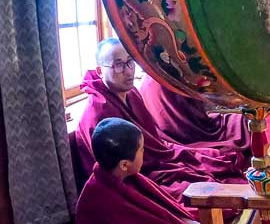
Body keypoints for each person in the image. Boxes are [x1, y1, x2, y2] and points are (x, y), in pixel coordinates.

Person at [75, 39, 247, 201]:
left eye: (130, 61)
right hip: (133, 176)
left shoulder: (132, 93)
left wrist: (169, 158)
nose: (128, 71)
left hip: (152, 159)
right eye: (118, 65)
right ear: (100, 71)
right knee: (192, 190)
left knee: (210, 162)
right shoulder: (98, 112)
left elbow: (154, 143)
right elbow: (114, 172)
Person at [74, 118, 206, 224]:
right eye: (142, 150)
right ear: (124, 164)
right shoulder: (98, 197)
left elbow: (155, 206)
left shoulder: (121, 173)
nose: (145, 153)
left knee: (195, 218)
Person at [140, 76, 253, 156]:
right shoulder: (172, 72)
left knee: (242, 121)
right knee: (242, 126)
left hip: (183, 125)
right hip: (185, 131)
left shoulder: (151, 71)